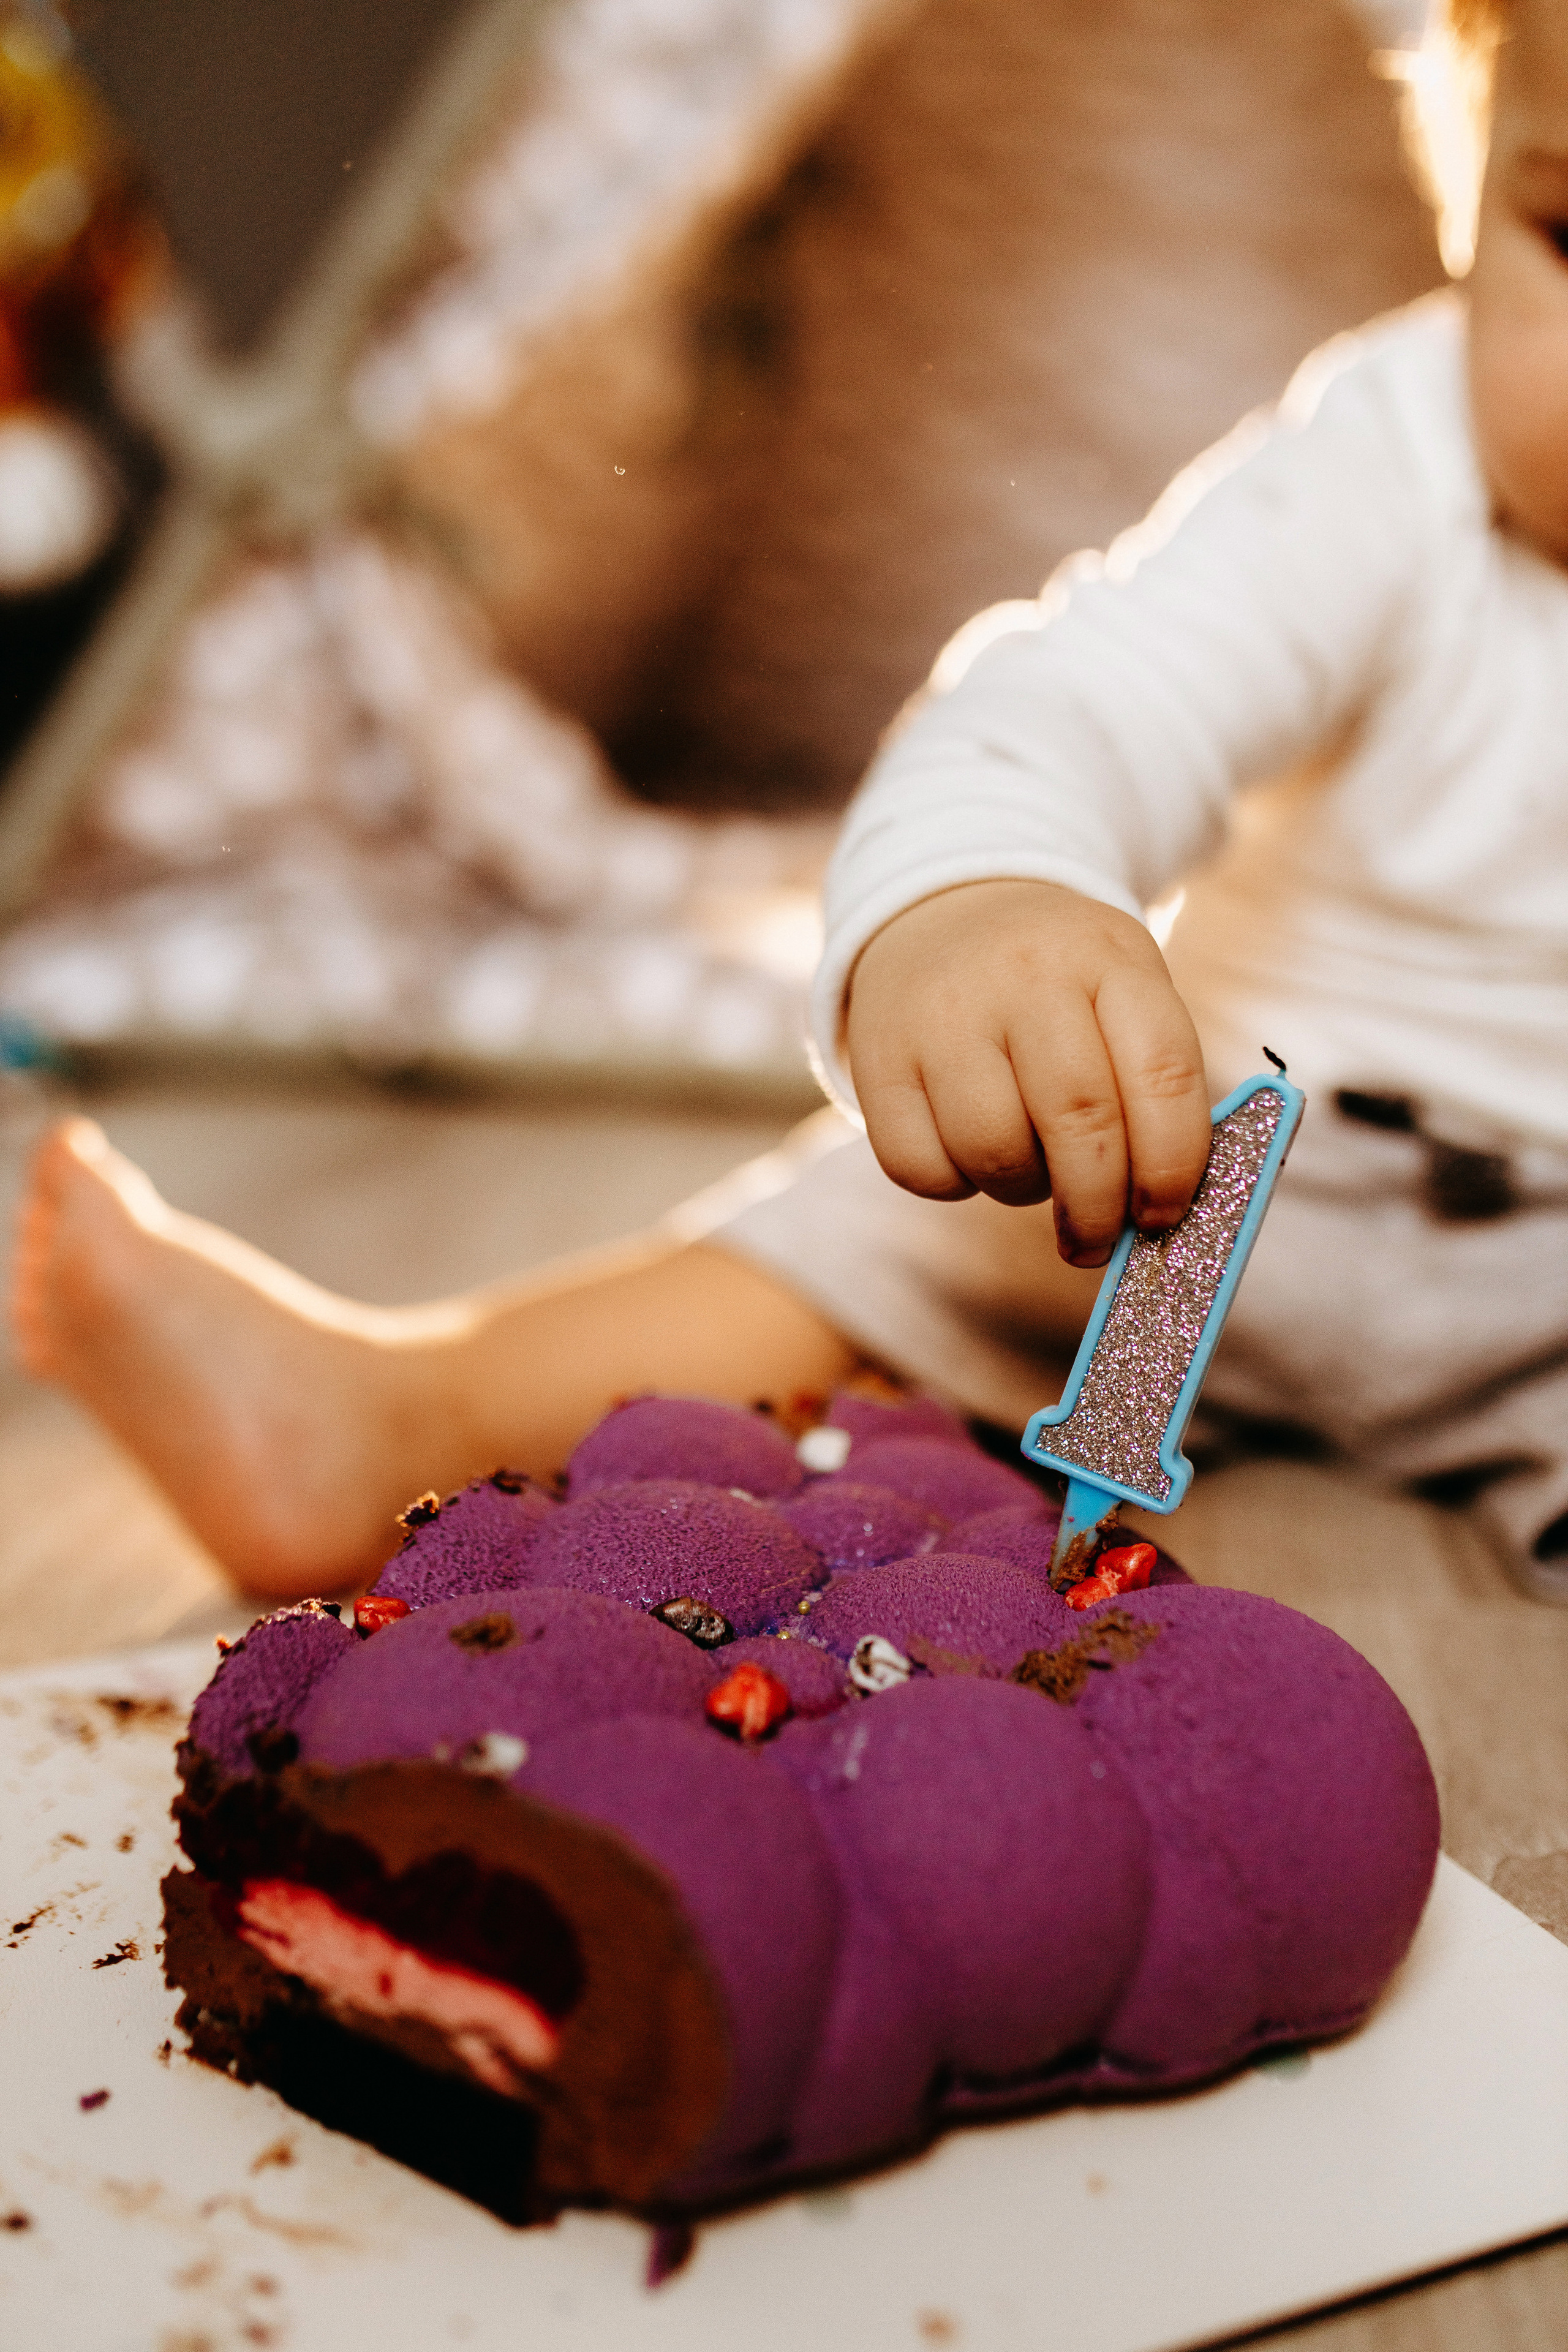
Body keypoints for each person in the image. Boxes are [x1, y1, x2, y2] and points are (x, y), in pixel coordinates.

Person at [14, 0, 1568, 1602]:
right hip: (1205, 1179)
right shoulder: (1394, 456)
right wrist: (989, 893)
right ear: (1460, 184)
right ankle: (388, 1423)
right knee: (840, 1268)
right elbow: (1089, 698)